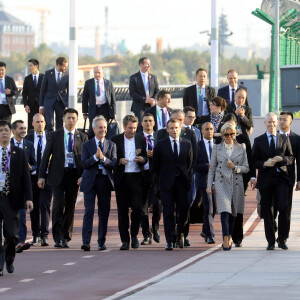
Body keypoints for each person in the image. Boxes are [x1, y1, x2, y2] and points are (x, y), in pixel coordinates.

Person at [38, 108, 88, 248]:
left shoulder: (82, 137)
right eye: (68, 118)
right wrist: (41, 176)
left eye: (73, 118)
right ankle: (58, 237)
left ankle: (66, 236)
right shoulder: (54, 135)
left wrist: (83, 176)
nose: (71, 120)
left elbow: (85, 159)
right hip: (57, 175)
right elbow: (45, 157)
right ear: (63, 119)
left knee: (70, 206)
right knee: (58, 205)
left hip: (74, 176)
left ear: (77, 120)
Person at [252, 113, 293, 250]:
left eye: (274, 122)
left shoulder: (284, 138)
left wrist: (282, 160)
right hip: (266, 180)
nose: (272, 124)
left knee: (283, 208)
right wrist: (265, 163)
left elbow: (290, 158)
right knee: (267, 210)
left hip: (281, 178)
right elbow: (254, 161)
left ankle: (282, 239)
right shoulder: (258, 140)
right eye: (269, 122)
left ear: (277, 123)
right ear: (265, 123)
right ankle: (270, 241)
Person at [207, 123, 249, 250]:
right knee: (225, 210)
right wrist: (209, 184)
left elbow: (246, 168)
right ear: (223, 135)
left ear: (235, 134)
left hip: (236, 182)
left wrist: (235, 167)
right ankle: (225, 237)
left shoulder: (242, 147)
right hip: (221, 182)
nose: (229, 137)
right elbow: (212, 167)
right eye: (226, 134)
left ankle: (230, 236)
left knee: (233, 212)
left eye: (232, 134)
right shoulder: (217, 148)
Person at [153, 118, 193, 250]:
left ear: (180, 128)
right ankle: (170, 240)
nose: (174, 130)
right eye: (171, 128)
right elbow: (156, 166)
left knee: (183, 211)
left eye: (176, 128)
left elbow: (189, 163)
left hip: (182, 183)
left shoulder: (187, 144)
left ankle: (180, 233)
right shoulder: (160, 145)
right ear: (167, 130)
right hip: (166, 184)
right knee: (168, 212)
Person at [0, 120, 33, 276]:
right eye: (0, 130)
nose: (3, 133)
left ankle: (9, 258)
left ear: (10, 132)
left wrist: (29, 198)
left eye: (6, 130)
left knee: (12, 234)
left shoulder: (18, 153)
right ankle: (0, 264)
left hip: (11, 199)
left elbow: (26, 178)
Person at [80, 116, 117, 251]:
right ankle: (86, 241)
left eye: (105, 127)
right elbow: (84, 164)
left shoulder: (111, 145)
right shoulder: (86, 145)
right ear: (94, 129)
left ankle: (101, 241)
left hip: (104, 181)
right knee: (88, 211)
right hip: (90, 180)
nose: (103, 130)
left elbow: (114, 164)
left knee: (104, 212)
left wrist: (103, 159)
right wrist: (95, 158)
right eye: (100, 127)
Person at [111, 115, 147, 250]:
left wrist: (142, 159)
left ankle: (134, 236)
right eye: (130, 128)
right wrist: (119, 161)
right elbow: (112, 158)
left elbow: (145, 157)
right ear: (124, 126)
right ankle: (124, 240)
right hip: (122, 179)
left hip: (137, 178)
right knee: (122, 211)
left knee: (137, 208)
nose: (132, 131)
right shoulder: (116, 140)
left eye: (134, 128)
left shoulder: (141, 139)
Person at [220, 113, 255, 248]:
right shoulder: (220, 140)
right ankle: (227, 236)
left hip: (240, 179)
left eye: (232, 124)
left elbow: (250, 159)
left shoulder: (243, 139)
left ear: (236, 125)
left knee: (237, 209)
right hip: (223, 180)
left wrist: (252, 176)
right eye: (226, 124)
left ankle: (238, 237)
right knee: (226, 209)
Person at [25, 113, 53, 247]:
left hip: (48, 177)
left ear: (45, 123)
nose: (40, 124)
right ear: (32, 124)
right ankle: (35, 234)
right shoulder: (28, 138)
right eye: (37, 122)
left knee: (45, 205)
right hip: (32, 176)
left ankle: (44, 235)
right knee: (33, 206)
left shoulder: (51, 137)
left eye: (42, 122)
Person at [11, 120, 36, 253]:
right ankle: (10, 242)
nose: (23, 131)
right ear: (13, 130)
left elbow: (35, 163)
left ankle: (21, 242)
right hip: (8, 188)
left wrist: (32, 168)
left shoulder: (29, 145)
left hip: (23, 187)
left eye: (24, 128)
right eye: (20, 128)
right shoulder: (6, 145)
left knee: (21, 215)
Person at [276, 112, 300, 240]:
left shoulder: (297, 139)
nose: (282, 121)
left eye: (285, 119)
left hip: (287, 179)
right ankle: (271, 224)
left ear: (291, 122)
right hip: (271, 178)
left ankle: (283, 237)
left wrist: (299, 180)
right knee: (270, 209)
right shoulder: (272, 137)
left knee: (285, 208)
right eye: (280, 119)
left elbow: (299, 161)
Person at [139, 113, 161, 245]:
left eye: (150, 121)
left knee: (158, 205)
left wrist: (155, 154)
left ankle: (156, 228)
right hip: (142, 174)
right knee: (143, 207)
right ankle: (146, 234)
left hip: (156, 175)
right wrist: (143, 154)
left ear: (154, 123)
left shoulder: (159, 137)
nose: (148, 123)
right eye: (145, 121)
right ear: (141, 123)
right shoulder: (137, 138)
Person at [194, 122, 215, 244]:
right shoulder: (197, 146)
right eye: (206, 129)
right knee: (209, 207)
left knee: (215, 207)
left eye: (211, 129)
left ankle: (204, 229)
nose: (209, 131)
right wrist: (207, 166)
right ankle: (209, 234)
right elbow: (194, 165)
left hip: (217, 181)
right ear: (202, 131)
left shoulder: (218, 145)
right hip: (204, 180)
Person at [82, 66, 116, 138]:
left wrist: (114, 112)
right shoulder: (88, 83)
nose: (97, 74)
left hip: (104, 108)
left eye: (99, 73)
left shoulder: (108, 83)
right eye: (95, 73)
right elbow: (85, 98)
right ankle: (92, 144)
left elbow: (113, 99)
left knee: (104, 127)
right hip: (93, 108)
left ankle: (104, 144)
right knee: (92, 128)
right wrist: (84, 112)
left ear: (103, 73)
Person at [39, 57, 69, 132]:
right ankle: (50, 140)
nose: (66, 68)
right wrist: (41, 106)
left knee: (60, 123)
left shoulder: (67, 74)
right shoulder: (48, 73)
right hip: (49, 102)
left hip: (61, 102)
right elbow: (43, 90)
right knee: (49, 123)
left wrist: (68, 104)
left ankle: (58, 141)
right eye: (64, 66)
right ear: (59, 65)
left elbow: (69, 89)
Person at [129, 57, 159, 126]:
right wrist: (145, 99)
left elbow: (157, 90)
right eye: (147, 64)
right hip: (139, 106)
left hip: (151, 106)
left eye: (150, 64)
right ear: (141, 65)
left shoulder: (153, 77)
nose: (149, 66)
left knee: (151, 125)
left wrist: (154, 99)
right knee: (140, 126)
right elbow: (132, 93)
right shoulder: (134, 78)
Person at [22, 59, 44, 133]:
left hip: (41, 106)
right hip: (31, 106)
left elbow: (46, 92)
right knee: (31, 126)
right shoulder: (27, 79)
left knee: (42, 124)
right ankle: (30, 142)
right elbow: (24, 93)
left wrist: (43, 106)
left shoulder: (43, 78)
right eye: (29, 66)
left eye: (31, 65)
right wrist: (26, 105)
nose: (29, 67)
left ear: (36, 66)